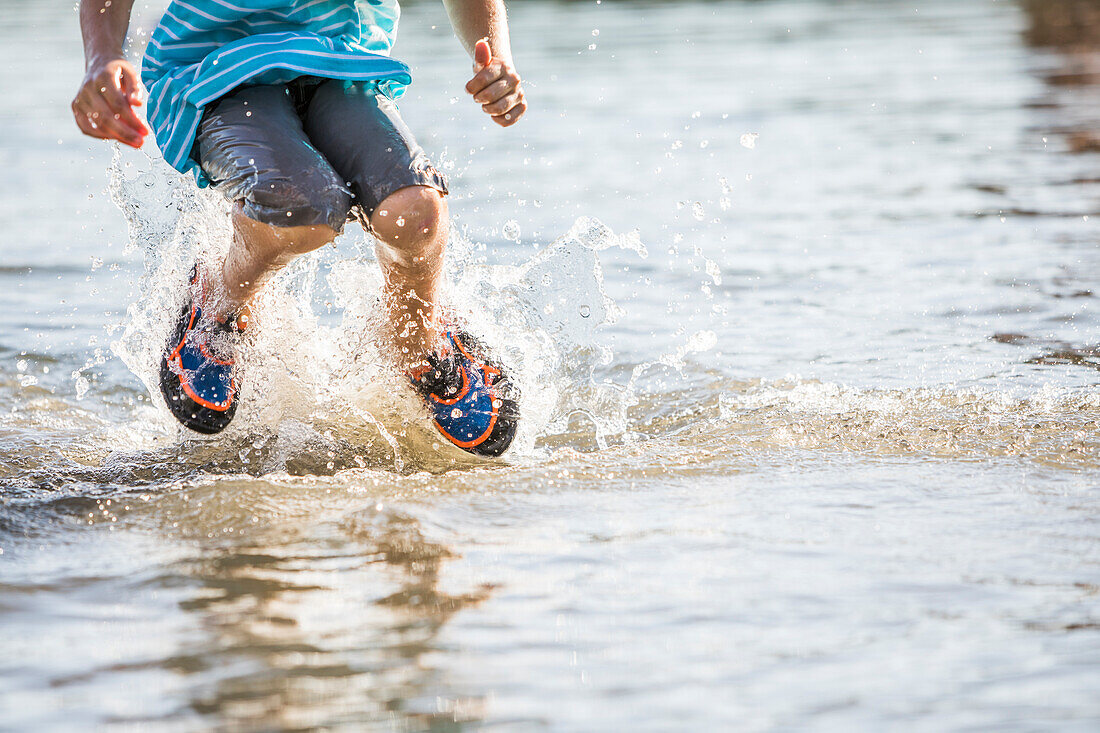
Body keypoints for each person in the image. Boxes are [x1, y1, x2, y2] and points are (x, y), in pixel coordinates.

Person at [72, 0, 525, 457]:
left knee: (416, 211)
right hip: (216, 69)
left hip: (340, 59)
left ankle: (416, 339)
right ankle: (219, 303)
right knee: (301, 214)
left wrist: (497, 56)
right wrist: (103, 56)